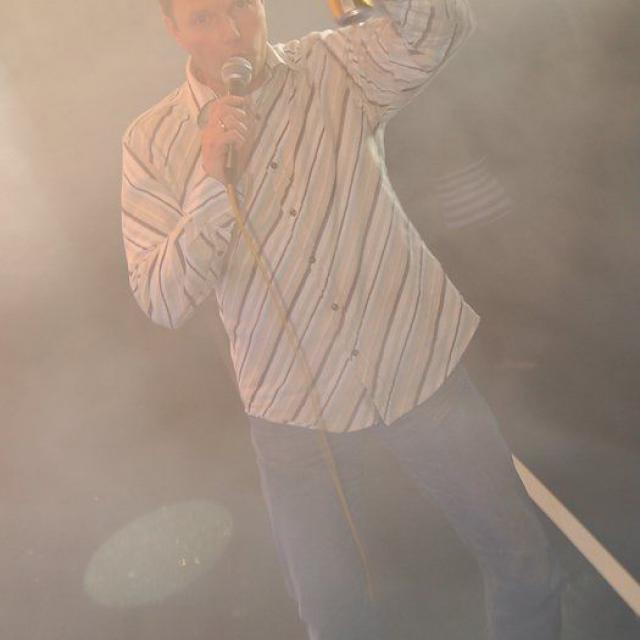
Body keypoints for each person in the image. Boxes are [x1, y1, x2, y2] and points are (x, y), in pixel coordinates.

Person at [120, 1, 564, 638]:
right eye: (203, 18)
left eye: (241, 7)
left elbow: (443, 27)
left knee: (523, 561)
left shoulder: (335, 63)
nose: (230, 32)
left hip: (416, 367)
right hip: (295, 417)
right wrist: (212, 182)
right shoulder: (150, 141)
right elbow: (162, 299)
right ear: (172, 29)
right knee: (334, 618)